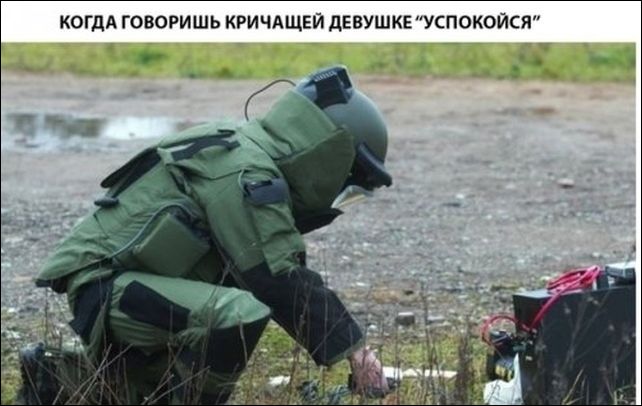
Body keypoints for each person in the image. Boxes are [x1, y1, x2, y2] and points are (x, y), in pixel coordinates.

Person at [24, 65, 392, 404]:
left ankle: (51, 378)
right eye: (348, 184)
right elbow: (278, 277)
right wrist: (357, 353)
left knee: (148, 391)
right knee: (235, 315)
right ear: (329, 153)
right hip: (108, 288)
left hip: (131, 286)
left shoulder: (245, 153)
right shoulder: (246, 171)